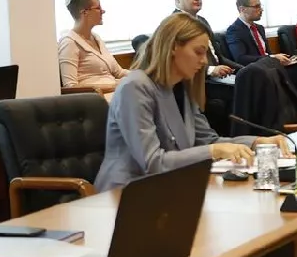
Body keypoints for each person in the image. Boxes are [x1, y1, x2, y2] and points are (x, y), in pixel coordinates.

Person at [94, 13, 280, 193]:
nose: (204, 61)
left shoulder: (180, 87)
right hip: (124, 193)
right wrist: (214, 151)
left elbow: (208, 141)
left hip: (170, 188)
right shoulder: (135, 87)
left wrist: (257, 142)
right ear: (173, 47)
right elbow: (152, 162)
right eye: (198, 52)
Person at [57, 0, 127, 94]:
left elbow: (119, 72)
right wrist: (114, 86)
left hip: (115, 94)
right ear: (85, 12)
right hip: (96, 100)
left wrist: (143, 75)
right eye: (98, 8)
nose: (103, 11)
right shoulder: (69, 42)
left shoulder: (96, 38)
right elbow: (71, 86)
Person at [171, 0, 235, 78]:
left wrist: (244, 69)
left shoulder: (202, 20)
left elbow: (218, 57)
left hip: (218, 77)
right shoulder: (174, 24)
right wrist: (210, 70)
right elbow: (177, 62)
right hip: (197, 80)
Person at [226, 0, 296, 68]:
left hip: (270, 68)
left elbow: (267, 53)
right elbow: (241, 59)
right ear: (242, 9)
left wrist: (276, 59)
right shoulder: (234, 30)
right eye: (256, 6)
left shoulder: (260, 28)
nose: (261, 10)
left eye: (260, 6)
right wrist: (272, 58)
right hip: (255, 71)